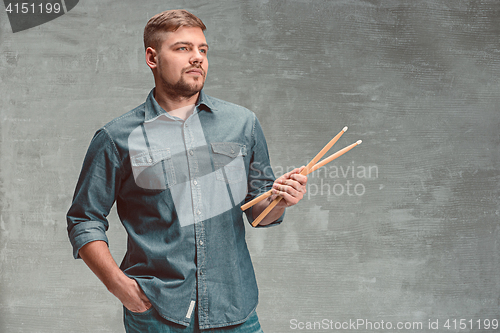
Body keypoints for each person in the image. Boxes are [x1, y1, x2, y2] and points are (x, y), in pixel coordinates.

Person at [67, 9, 307, 333]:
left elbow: (258, 211)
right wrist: (119, 286)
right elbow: (84, 219)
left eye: (202, 50)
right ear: (152, 57)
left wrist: (281, 200)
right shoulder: (117, 138)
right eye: (183, 48)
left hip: (235, 311)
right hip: (157, 316)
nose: (197, 58)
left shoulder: (242, 125)